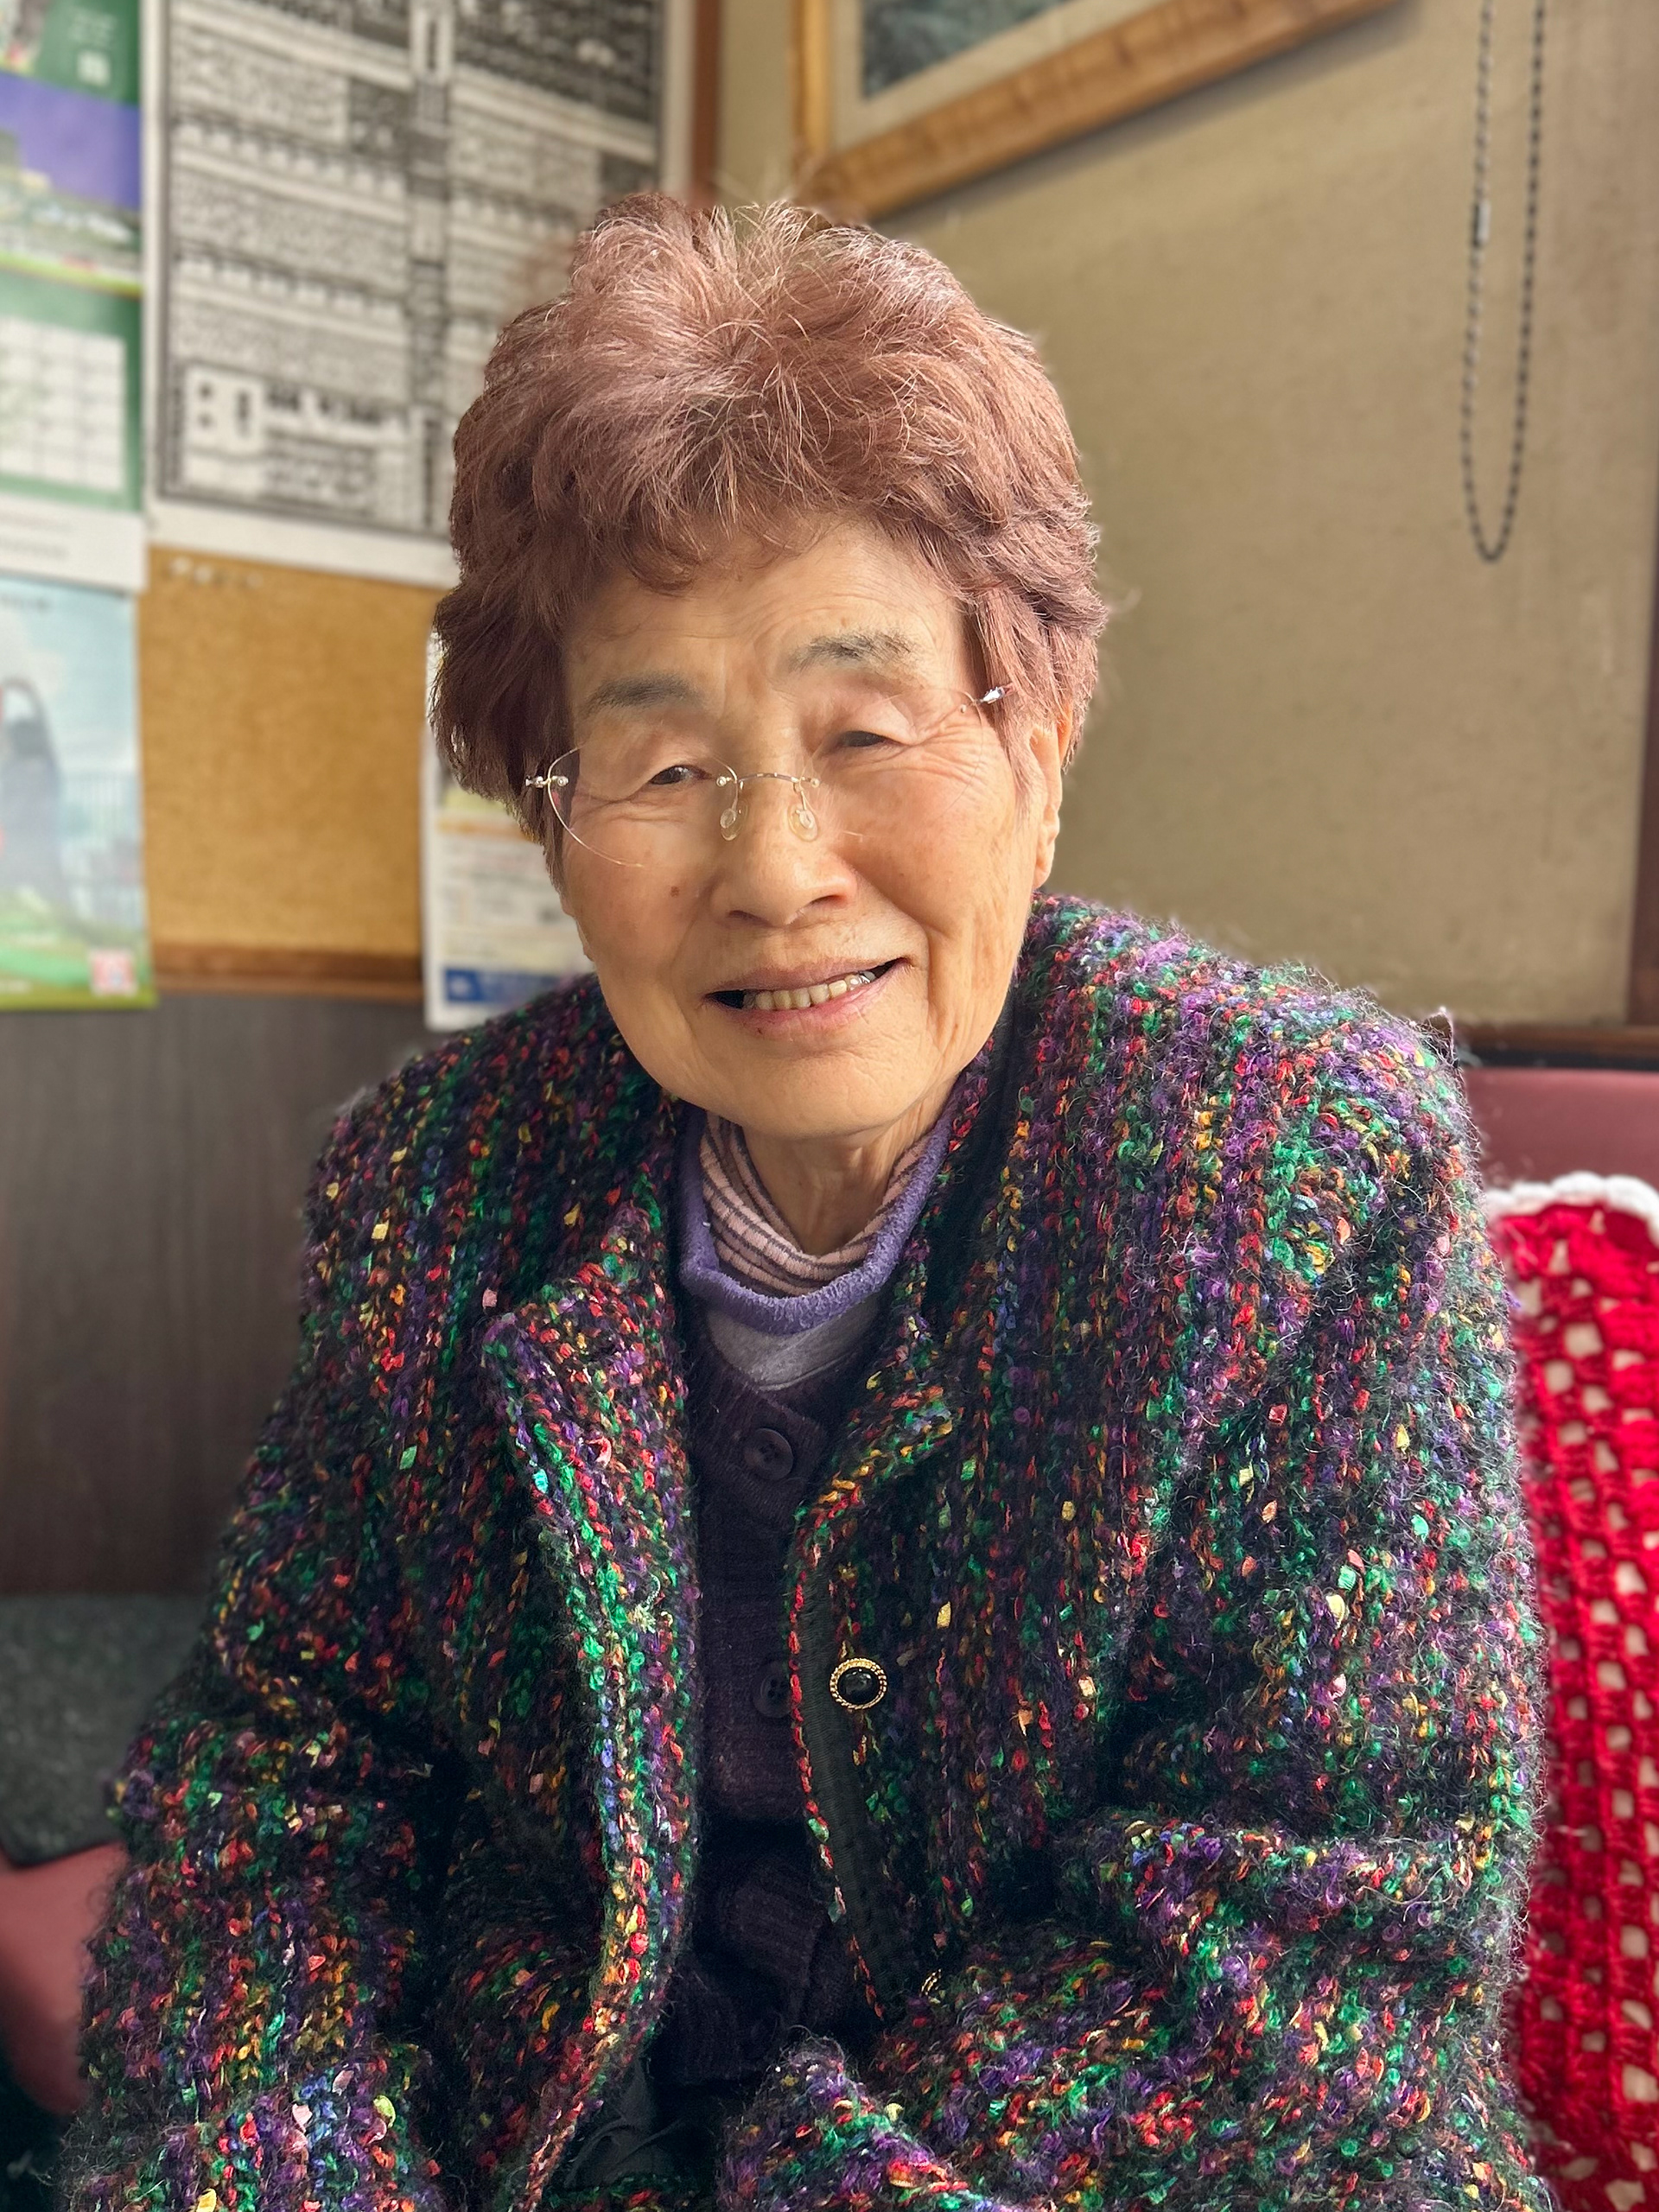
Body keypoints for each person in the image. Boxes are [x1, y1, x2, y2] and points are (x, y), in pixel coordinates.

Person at [60, 198, 1547, 2212]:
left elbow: (1306, 1923)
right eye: (663, 764)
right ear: (555, 826)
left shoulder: (1299, 1175)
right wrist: (284, 2168)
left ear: (1039, 740)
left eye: (865, 731)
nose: (774, 867)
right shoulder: (439, 1185)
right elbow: (281, 1777)